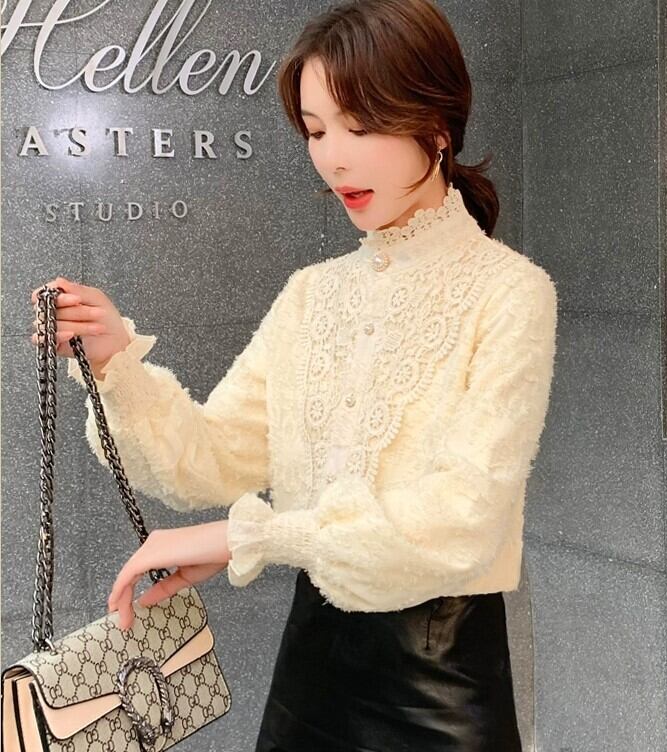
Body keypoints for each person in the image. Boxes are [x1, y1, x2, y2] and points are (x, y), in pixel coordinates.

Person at [30, 1, 558, 749]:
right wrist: (115, 361)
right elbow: (211, 459)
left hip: (439, 683)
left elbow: (463, 519)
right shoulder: (312, 294)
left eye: (360, 127)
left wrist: (246, 537)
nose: (333, 159)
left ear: (436, 127)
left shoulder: (510, 293)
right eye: (315, 131)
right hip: (310, 671)